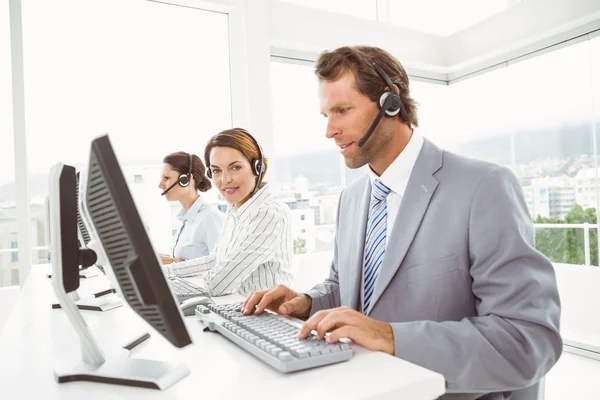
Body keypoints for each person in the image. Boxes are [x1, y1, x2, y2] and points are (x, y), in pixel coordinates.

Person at [242, 46, 562, 399]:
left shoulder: (483, 187)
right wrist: (305, 303)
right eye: (325, 114)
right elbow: (347, 290)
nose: (329, 130)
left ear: (389, 103)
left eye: (342, 110)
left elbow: (527, 340)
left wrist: (390, 337)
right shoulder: (351, 199)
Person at [163, 128, 294, 296]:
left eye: (235, 167)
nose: (225, 180)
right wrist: (165, 272)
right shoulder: (235, 209)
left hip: (266, 317)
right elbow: (215, 260)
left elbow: (218, 284)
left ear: (258, 168)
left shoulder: (268, 214)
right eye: (216, 170)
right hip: (236, 311)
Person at [158, 151, 224, 264]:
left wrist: (175, 263)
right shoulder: (185, 220)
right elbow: (192, 259)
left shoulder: (210, 218)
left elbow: (221, 268)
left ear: (186, 180)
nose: (160, 185)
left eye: (166, 178)